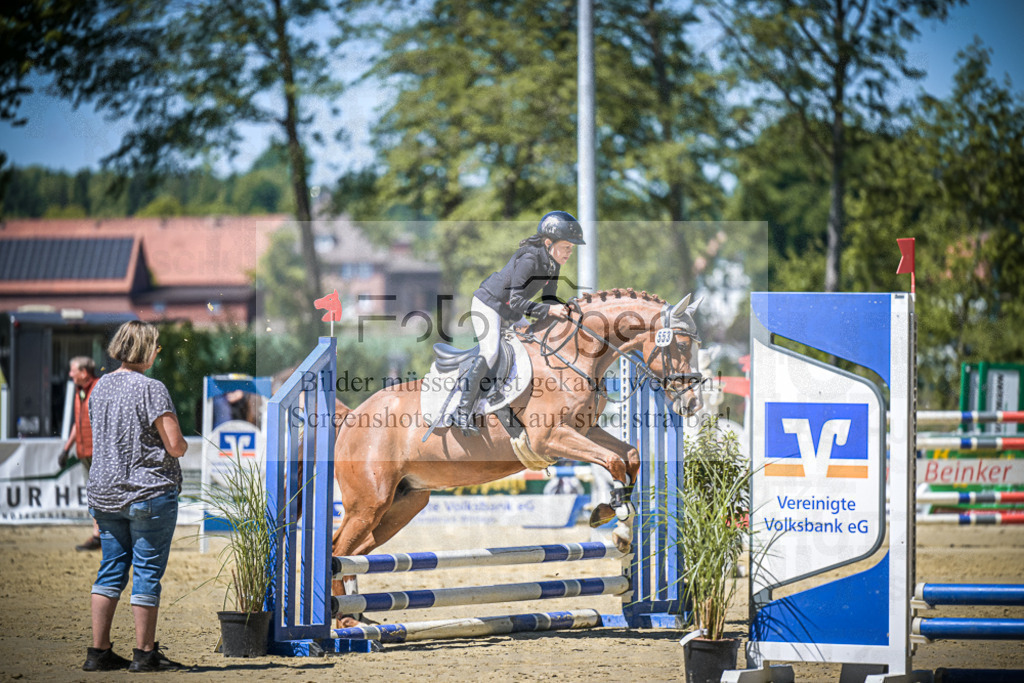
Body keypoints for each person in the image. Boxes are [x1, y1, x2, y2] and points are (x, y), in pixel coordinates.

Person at [82, 321, 189, 672]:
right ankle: (144, 653)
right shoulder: (151, 388)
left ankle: (98, 653)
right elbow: (175, 446)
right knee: (146, 572)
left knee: (110, 569)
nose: (158, 352)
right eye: (155, 347)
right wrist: (183, 440)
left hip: (104, 493)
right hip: (147, 493)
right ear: (146, 350)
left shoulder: (99, 387)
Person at [455, 210, 584, 436]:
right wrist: (550, 310)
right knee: (491, 351)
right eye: (566, 247)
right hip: (490, 304)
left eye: (571, 248)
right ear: (548, 243)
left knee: (532, 344)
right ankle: (462, 410)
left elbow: (548, 300)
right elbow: (515, 300)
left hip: (510, 311)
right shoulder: (530, 258)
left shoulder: (553, 264)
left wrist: (566, 310)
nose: (569, 253)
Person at [58, 356, 102, 551]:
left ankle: (107, 536)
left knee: (104, 495)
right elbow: (78, 423)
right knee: (93, 495)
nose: (70, 374)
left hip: (100, 453)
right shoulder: (79, 392)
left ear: (84, 373)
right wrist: (66, 448)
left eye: (73, 370)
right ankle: (97, 535)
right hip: (84, 451)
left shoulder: (99, 388)